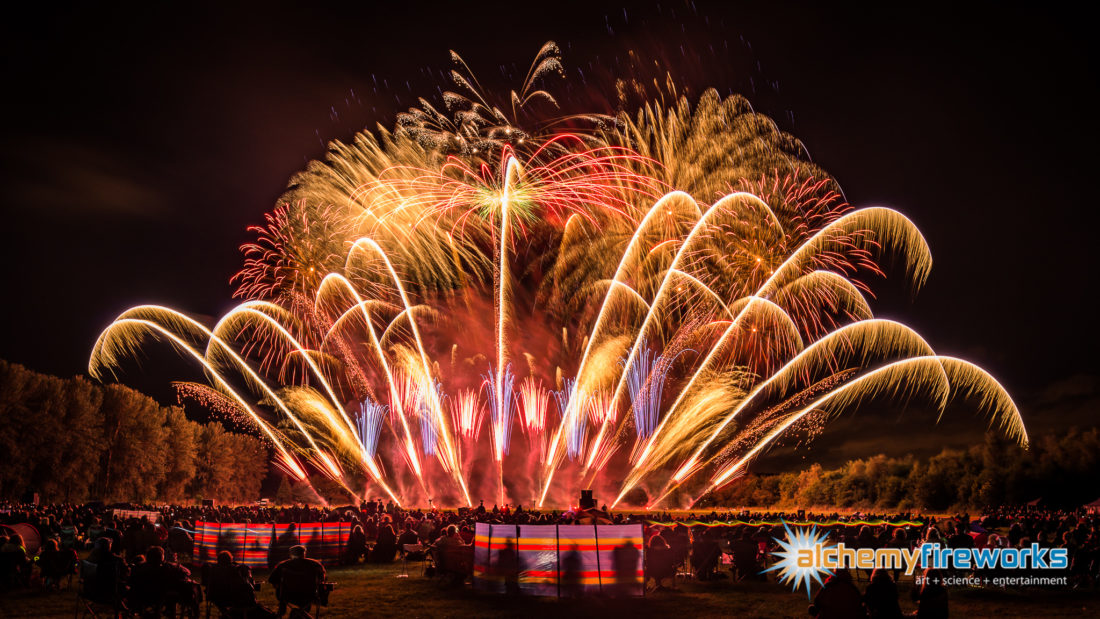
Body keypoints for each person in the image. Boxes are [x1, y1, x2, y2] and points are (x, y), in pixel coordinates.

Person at [128, 545, 200, 618]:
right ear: (161, 557)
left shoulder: (140, 567)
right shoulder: (167, 567)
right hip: (163, 596)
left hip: (144, 596)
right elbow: (187, 572)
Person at [206, 550, 275, 618]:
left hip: (218, 598)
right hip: (233, 599)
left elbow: (210, 587)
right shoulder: (234, 569)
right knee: (252, 601)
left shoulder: (213, 570)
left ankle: (226, 613)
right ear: (230, 559)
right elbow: (243, 585)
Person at [269, 544, 327, 617]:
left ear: (291, 554)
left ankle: (282, 611)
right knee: (307, 599)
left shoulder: (283, 565)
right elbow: (322, 579)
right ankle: (304, 613)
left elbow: (272, 580)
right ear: (304, 553)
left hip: (287, 595)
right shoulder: (315, 564)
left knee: (281, 590)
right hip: (309, 595)